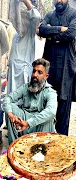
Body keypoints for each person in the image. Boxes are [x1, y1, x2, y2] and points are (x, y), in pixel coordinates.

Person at [37, 0, 76, 136]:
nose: (59, 0)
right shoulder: (49, 15)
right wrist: (59, 29)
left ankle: (62, 147)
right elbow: (41, 30)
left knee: (63, 113)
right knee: (47, 107)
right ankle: (46, 143)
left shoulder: (73, 14)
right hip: (49, 69)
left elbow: (71, 33)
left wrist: (51, 36)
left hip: (66, 70)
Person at [3, 58, 57, 144]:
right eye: (34, 71)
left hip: (40, 126)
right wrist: (10, 114)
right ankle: (14, 146)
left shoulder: (50, 92)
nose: (35, 75)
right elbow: (7, 98)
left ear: (46, 76)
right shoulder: (26, 87)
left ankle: (42, 148)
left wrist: (28, 123)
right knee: (11, 108)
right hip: (23, 122)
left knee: (49, 118)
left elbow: (51, 111)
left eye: (39, 72)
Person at [7, 0, 41, 94]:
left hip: (23, 72)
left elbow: (37, 16)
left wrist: (26, 2)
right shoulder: (15, 32)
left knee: (22, 102)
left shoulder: (30, 29)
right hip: (13, 69)